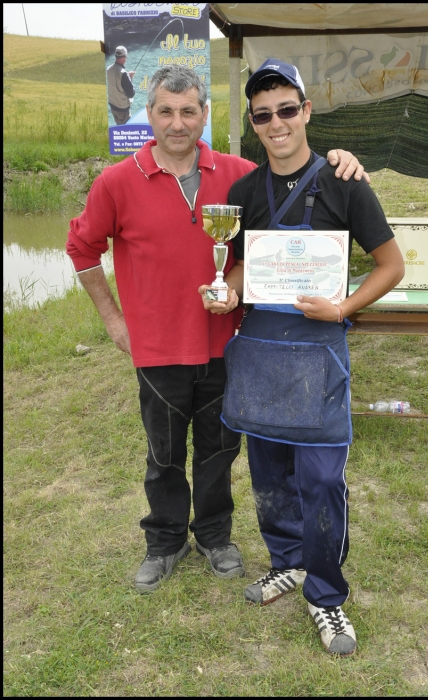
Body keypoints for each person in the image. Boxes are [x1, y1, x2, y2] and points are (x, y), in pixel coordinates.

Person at [66, 64, 369, 596]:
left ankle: (213, 536)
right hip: (157, 349)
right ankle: (164, 541)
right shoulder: (116, 181)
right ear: (150, 115)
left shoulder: (236, 173)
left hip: (227, 344)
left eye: (188, 111)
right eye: (165, 111)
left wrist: (342, 159)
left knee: (219, 451)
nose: (177, 123)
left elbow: (292, 174)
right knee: (163, 456)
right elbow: (81, 249)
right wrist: (114, 321)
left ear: (204, 115)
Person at [199, 59, 404, 655]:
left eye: (287, 109)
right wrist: (227, 291)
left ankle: (327, 595)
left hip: (319, 355)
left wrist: (343, 308)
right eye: (263, 115)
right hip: (260, 356)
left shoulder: (346, 182)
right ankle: (286, 563)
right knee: (269, 478)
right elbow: (235, 264)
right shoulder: (241, 192)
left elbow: (391, 266)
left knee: (319, 482)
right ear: (254, 124)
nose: (276, 122)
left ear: (306, 111)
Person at [107, 45, 136, 125]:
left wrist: (127, 76)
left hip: (112, 106)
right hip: (122, 109)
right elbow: (131, 93)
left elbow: (117, 81)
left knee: (119, 128)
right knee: (126, 130)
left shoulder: (109, 69)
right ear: (124, 56)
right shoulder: (123, 74)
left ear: (116, 56)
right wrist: (130, 79)